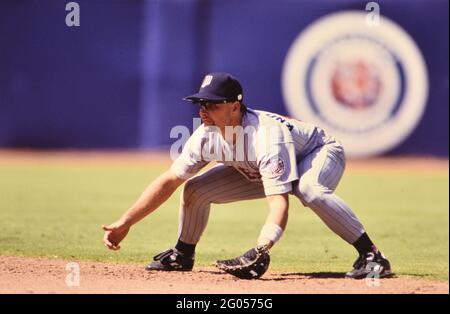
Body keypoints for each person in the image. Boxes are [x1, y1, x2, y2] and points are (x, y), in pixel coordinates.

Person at [102, 72, 392, 279]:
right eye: (201, 104)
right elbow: (170, 180)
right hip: (256, 166)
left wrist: (262, 248)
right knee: (195, 190)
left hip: (316, 152)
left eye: (212, 104)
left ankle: (372, 255)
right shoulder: (206, 135)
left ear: (235, 106)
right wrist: (126, 222)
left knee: (309, 189)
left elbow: (279, 203)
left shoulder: (266, 137)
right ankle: (182, 254)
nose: (204, 111)